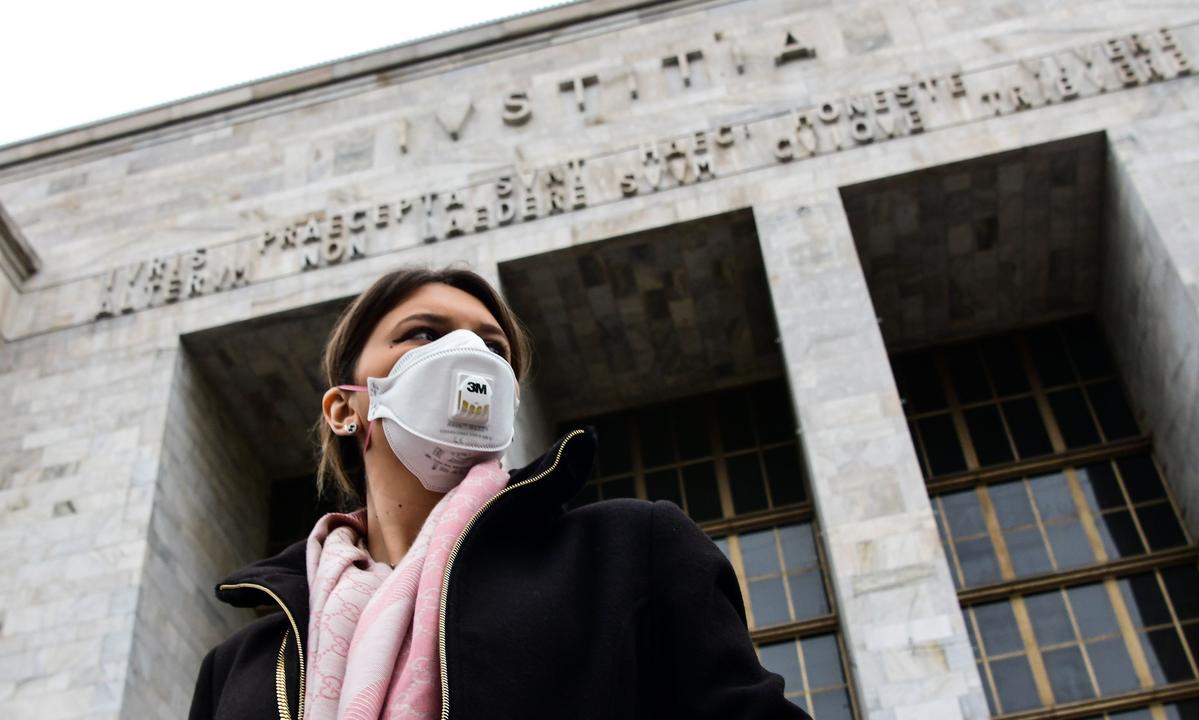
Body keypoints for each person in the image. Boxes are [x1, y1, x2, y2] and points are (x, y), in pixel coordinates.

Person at [187, 265, 811, 720]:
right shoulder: (239, 667)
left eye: (494, 348)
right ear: (345, 408)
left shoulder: (627, 553)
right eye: (424, 334)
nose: (468, 357)